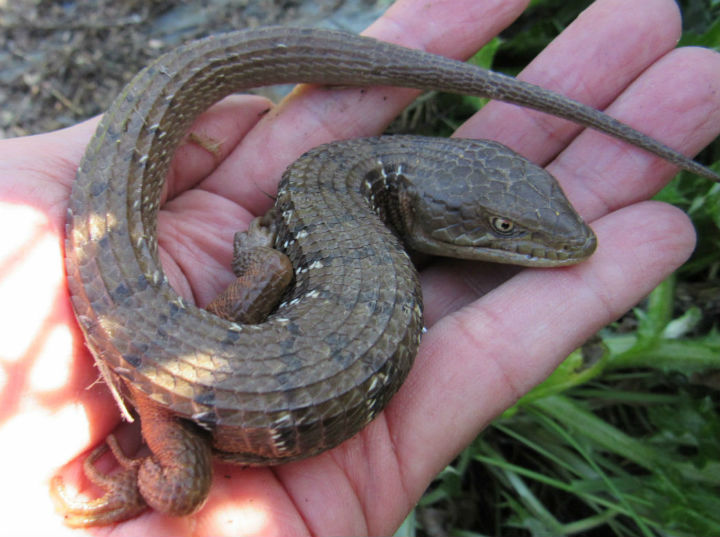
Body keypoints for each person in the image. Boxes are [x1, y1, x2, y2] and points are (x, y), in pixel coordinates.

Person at [1, 0, 718, 534]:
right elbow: (269, 284)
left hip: (191, 353)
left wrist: (255, 269)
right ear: (411, 205)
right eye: (504, 229)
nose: (548, 240)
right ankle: (133, 486)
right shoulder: (335, 232)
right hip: (190, 392)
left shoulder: (329, 208)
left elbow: (271, 277)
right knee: (182, 486)